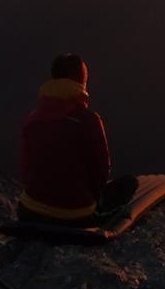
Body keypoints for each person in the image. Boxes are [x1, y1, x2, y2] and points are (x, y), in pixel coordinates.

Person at [18, 52, 132, 223]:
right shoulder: (89, 120)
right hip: (75, 215)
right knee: (129, 183)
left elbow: (26, 169)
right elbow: (101, 173)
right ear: (81, 81)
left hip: (30, 211)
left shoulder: (33, 119)